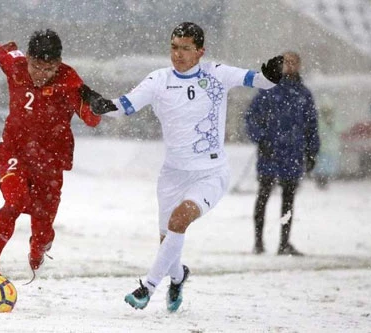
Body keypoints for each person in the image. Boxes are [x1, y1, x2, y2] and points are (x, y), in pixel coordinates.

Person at [80, 22, 282, 312]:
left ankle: (146, 288)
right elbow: (125, 105)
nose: (178, 54)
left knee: (179, 221)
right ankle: (178, 277)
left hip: (211, 173)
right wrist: (102, 105)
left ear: (200, 51)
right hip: (172, 175)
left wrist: (270, 76)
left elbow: (258, 80)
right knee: (168, 240)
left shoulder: (217, 73)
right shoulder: (158, 79)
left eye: (186, 48)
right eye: (174, 47)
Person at [0, 29, 114, 282]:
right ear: (28, 58)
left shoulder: (69, 80)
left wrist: (96, 110)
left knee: (43, 234)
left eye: (49, 69)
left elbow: (90, 120)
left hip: (51, 164)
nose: (41, 75)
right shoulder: (15, 64)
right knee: (15, 201)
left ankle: (39, 245)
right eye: (36, 67)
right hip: (14, 152)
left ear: (58, 64)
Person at [245, 51, 320, 256]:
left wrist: (312, 152)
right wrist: (260, 139)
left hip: (293, 153)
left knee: (288, 199)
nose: (290, 66)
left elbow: (311, 125)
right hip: (270, 152)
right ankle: (258, 242)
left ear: (299, 65)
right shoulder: (268, 89)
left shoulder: (303, 94)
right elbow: (252, 118)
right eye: (286, 62)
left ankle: (283, 243)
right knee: (263, 196)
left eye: (293, 62)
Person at [312, 100, 340, 189]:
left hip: (330, 149)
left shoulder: (334, 120)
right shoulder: (318, 120)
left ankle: (324, 182)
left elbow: (339, 129)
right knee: (321, 166)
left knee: (327, 166)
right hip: (322, 148)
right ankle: (321, 182)